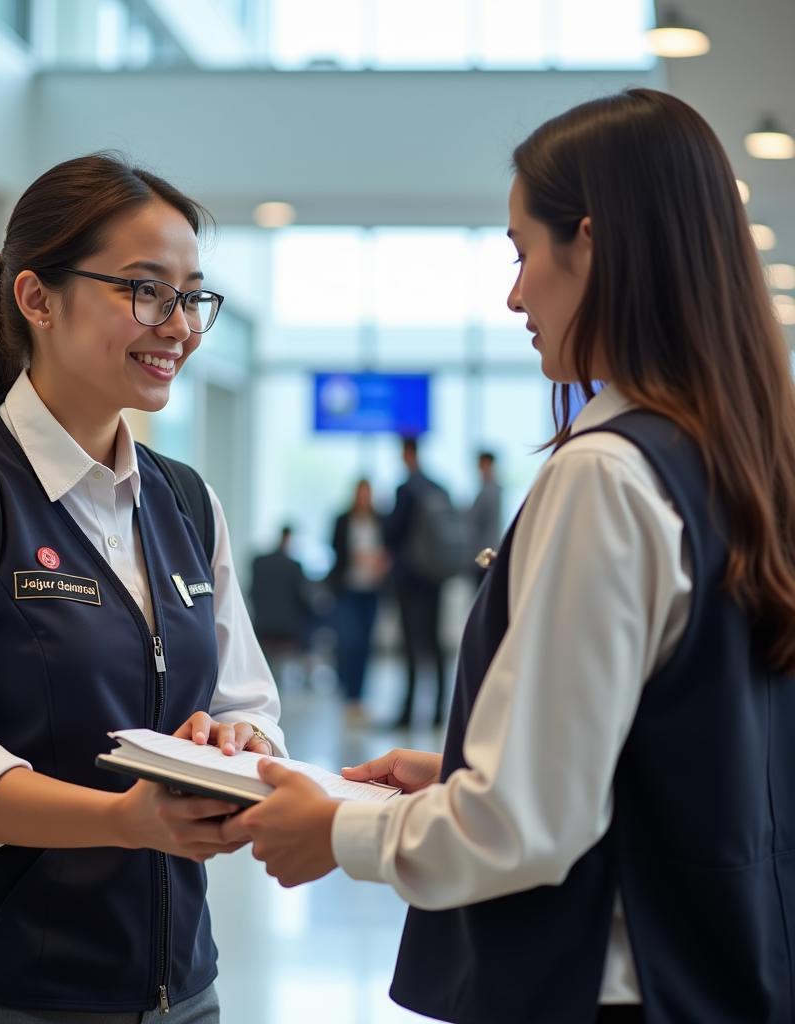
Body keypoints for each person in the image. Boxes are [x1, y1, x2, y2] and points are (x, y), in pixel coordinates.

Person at [221, 88, 795, 1023]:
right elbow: (675, 759)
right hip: (719, 970)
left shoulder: (609, 474)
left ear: (594, 244)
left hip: (605, 985)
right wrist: (463, 773)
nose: (516, 293)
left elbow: (525, 827)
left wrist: (339, 829)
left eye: (524, 253)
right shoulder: (742, 460)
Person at [0, 153, 286, 1024]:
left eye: (192, 296)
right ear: (36, 299)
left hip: (181, 991)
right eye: (146, 291)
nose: (180, 327)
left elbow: (253, 702)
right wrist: (129, 820)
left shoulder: (186, 501)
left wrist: (230, 743)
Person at [383, 436, 449, 728]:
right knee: (434, 643)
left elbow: (392, 533)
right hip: (435, 577)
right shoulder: (439, 487)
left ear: (406, 453)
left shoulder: (406, 490)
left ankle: (409, 712)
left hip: (410, 578)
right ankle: (438, 711)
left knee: (410, 644)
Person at [327, 479, 388, 722]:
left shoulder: (379, 520)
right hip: (348, 589)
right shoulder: (343, 519)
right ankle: (348, 693)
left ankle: (358, 697)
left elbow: (388, 549)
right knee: (349, 641)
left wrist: (380, 562)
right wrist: (355, 557)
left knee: (364, 644)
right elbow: (335, 547)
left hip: (371, 590)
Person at [248, 524, 314, 684]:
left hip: (261, 625)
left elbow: (251, 593)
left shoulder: (259, 562)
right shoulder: (294, 566)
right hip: (287, 629)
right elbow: (303, 600)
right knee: (313, 622)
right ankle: (307, 675)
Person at [466, 450, 503, 585]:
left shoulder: (490, 491)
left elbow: (475, 520)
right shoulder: (493, 490)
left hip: (485, 552)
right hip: (487, 549)